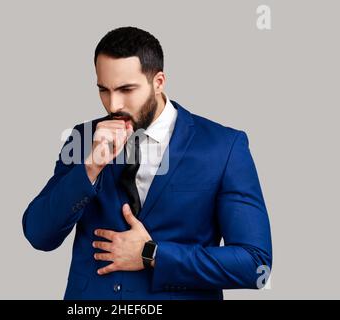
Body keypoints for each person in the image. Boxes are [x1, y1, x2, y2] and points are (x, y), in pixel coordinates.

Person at [22, 26, 272, 300]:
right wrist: (89, 168)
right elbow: (38, 234)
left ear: (159, 82)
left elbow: (254, 264)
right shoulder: (83, 138)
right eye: (103, 90)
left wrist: (152, 254)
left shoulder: (223, 147)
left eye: (126, 89)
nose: (113, 104)